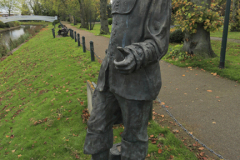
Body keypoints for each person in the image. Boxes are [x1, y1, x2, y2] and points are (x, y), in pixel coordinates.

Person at [84, 0, 172, 159]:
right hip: (108, 78)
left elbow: (159, 42)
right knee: (96, 128)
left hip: (137, 82)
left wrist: (137, 54)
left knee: (134, 140)